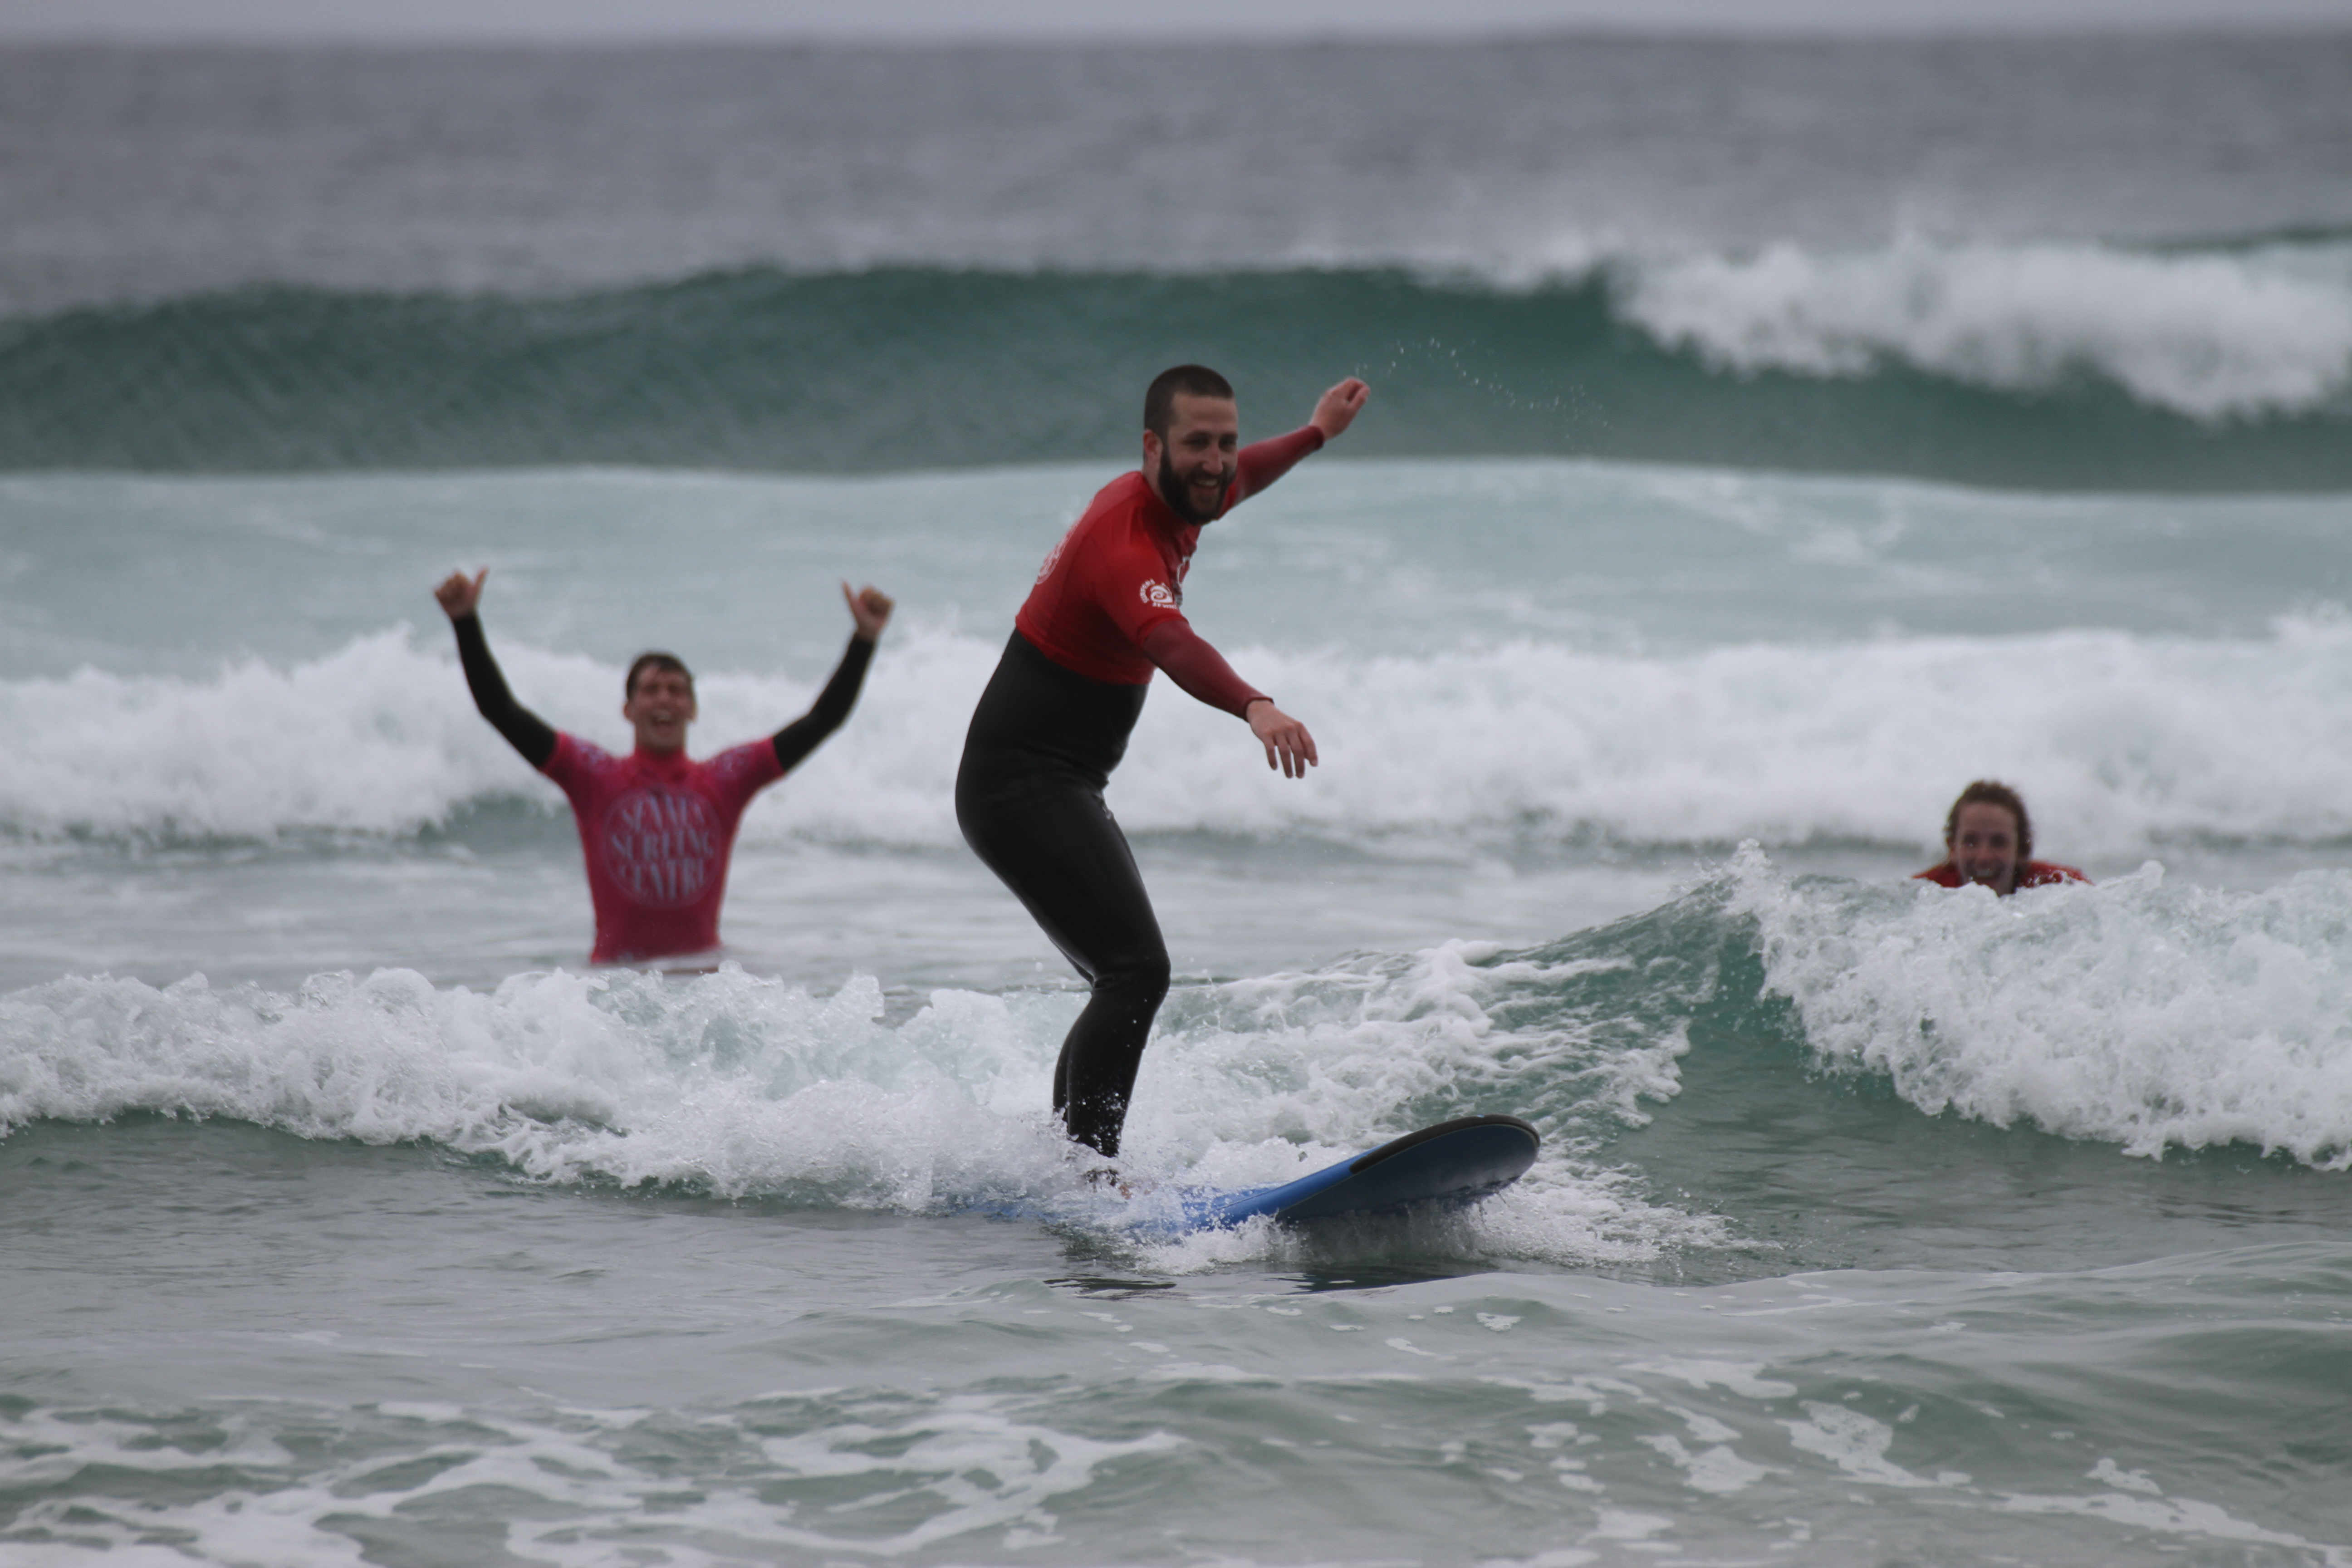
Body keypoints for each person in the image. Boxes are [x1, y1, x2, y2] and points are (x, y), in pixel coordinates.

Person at [956, 364, 1369, 1160]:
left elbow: (1247, 474)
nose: (1215, 461)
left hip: (1055, 782)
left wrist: (1317, 433)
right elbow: (1170, 642)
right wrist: (1254, 703)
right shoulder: (1124, 541)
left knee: (1121, 976)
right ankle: (1090, 1175)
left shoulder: (1185, 496)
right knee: (1134, 971)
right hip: (1020, 784)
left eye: (1224, 441)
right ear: (1152, 447)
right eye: (1195, 445)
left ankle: (1069, 1164)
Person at [434, 567, 893, 964]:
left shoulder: (725, 778)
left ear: (693, 709)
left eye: (676, 691)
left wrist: (865, 639)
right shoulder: (592, 774)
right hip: (616, 982)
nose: (665, 700)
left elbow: (822, 720)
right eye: (651, 690)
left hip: (701, 979)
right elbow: (501, 711)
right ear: (628, 709)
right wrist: (465, 622)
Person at [1914, 780, 2087, 895]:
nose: (1984, 857)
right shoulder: (1922, 894)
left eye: (1998, 843)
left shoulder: (2063, 889)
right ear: (1953, 848)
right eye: (1971, 842)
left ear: (2021, 850)